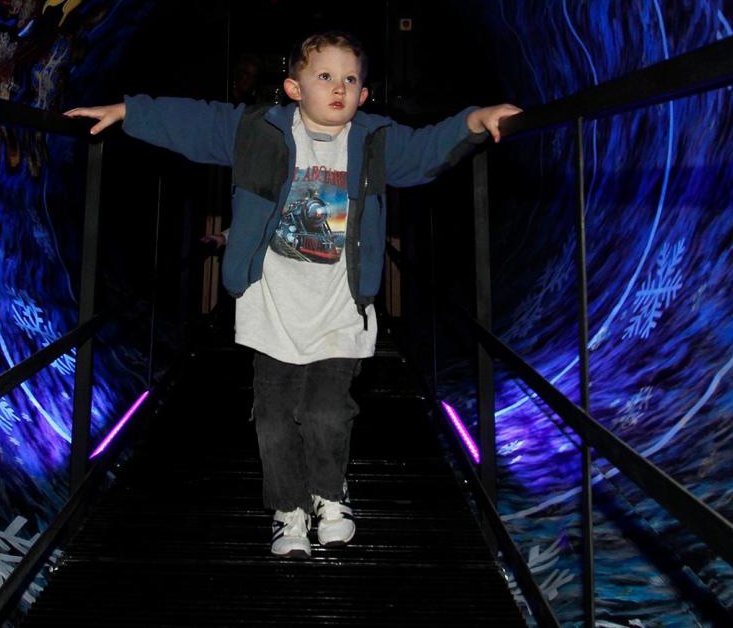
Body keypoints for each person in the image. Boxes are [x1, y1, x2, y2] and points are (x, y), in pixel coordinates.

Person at [65, 31, 520, 559]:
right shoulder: (259, 130)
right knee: (276, 417)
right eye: (324, 76)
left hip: (339, 307)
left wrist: (472, 120)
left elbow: (422, 154)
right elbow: (199, 122)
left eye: (350, 79)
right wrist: (127, 111)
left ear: (364, 95)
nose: (338, 88)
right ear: (293, 88)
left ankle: (330, 495)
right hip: (272, 306)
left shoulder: (372, 141)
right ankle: (288, 509)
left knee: (328, 413)